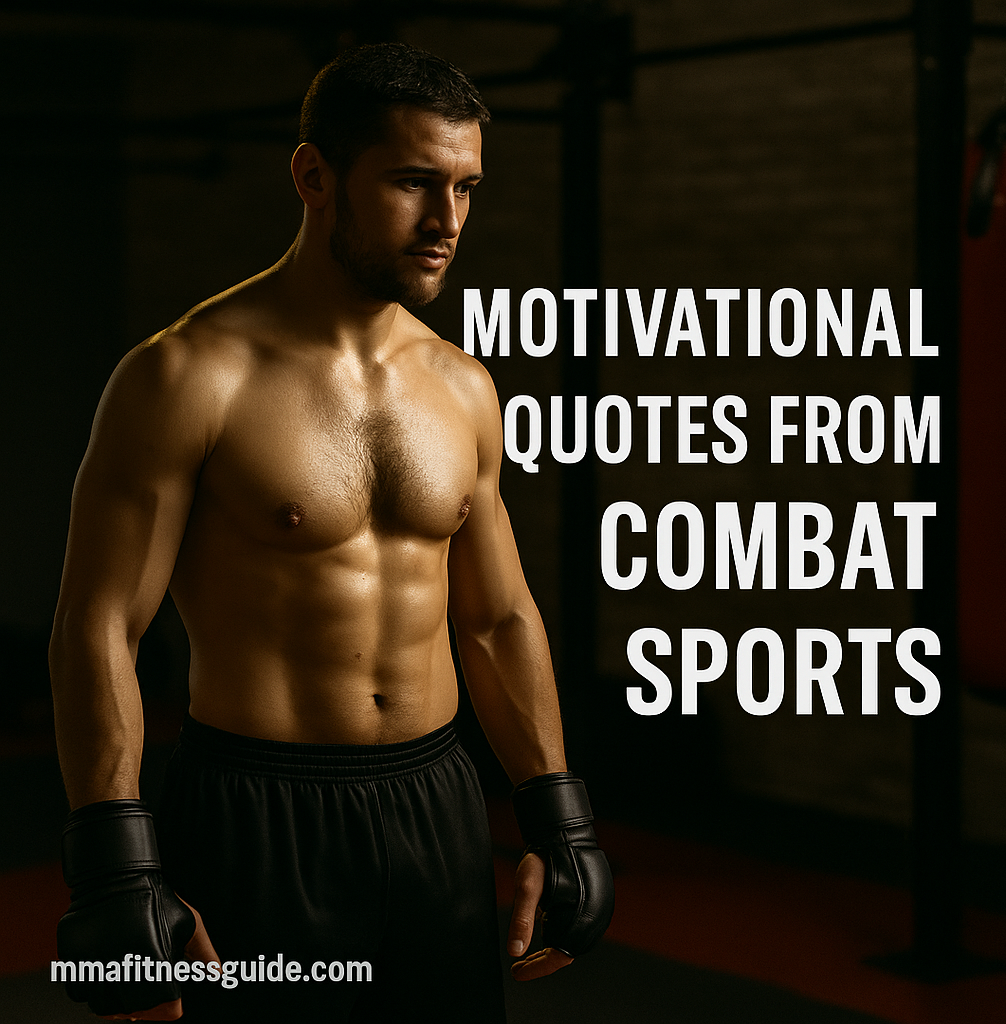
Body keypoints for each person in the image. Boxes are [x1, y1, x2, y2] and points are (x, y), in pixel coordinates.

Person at [49, 42, 613, 1024]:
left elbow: (497, 616)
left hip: (435, 805)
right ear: (314, 176)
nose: (447, 222)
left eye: (467, 189)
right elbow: (99, 624)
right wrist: (114, 867)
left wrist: (556, 816)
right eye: (412, 183)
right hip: (255, 815)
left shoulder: (464, 385)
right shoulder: (186, 375)